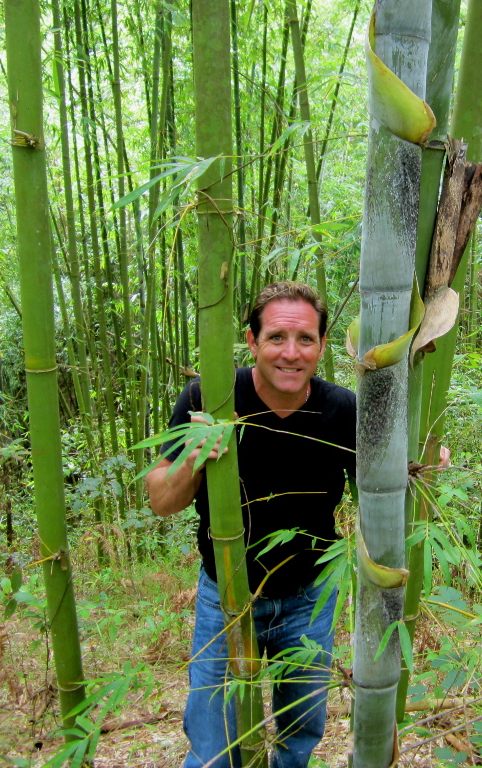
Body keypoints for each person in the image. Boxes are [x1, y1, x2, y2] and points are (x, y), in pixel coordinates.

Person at [146, 282, 356, 768]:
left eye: (305, 339)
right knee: (214, 743)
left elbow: (381, 485)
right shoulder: (211, 396)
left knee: (300, 734)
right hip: (226, 593)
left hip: (310, 595)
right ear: (251, 340)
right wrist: (194, 457)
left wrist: (421, 461)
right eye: (277, 337)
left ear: (323, 345)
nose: (291, 353)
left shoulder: (341, 408)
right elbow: (161, 500)